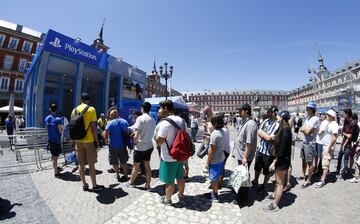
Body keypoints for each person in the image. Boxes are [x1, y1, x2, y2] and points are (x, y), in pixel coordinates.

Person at [71, 92, 104, 192]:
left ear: (81, 100)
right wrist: (97, 141)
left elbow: (72, 127)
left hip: (78, 141)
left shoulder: (74, 110)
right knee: (91, 165)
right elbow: (94, 128)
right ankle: (94, 186)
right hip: (89, 141)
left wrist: (72, 141)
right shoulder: (91, 109)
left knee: (81, 165)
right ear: (88, 100)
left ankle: (84, 185)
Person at [155, 100, 186, 205]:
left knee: (169, 181)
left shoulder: (164, 123)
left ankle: (167, 200)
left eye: (160, 108)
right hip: (180, 154)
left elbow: (160, 140)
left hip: (168, 156)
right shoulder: (181, 120)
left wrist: (156, 141)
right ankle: (181, 196)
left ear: (165, 108)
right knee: (180, 177)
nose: (159, 111)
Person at [264, 110, 292, 212]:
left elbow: (283, 149)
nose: (277, 117)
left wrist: (274, 162)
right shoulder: (283, 128)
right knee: (277, 181)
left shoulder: (285, 130)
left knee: (280, 183)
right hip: (281, 159)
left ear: (282, 117)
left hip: (282, 160)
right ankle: (275, 195)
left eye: (279, 115)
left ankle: (275, 205)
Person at [232, 103, 258, 204]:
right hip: (241, 154)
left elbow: (249, 143)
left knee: (243, 176)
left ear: (246, 111)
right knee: (242, 174)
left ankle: (242, 198)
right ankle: (241, 193)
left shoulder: (250, 124)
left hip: (244, 155)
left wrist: (245, 157)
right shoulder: (245, 122)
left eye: (240, 110)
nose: (239, 112)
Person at [128, 102, 156, 190]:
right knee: (147, 166)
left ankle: (131, 183)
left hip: (140, 148)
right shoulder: (152, 119)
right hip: (149, 146)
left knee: (136, 167)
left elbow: (136, 134)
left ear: (142, 108)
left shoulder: (140, 118)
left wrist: (135, 142)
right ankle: (148, 185)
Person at [252, 106, 280, 193]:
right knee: (257, 167)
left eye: (268, 111)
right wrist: (265, 136)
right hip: (260, 149)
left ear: (273, 112)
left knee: (267, 170)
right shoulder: (266, 121)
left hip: (269, 151)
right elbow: (259, 132)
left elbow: (270, 138)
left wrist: (265, 135)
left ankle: (264, 185)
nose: (266, 113)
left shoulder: (278, 124)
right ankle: (255, 180)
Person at [314, 109, 339, 188]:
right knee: (324, 163)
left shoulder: (334, 124)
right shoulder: (330, 123)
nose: (326, 116)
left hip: (328, 147)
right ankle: (323, 177)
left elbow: (334, 137)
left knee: (325, 164)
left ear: (331, 116)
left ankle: (322, 180)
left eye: (327, 115)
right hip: (326, 145)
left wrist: (329, 148)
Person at [104, 109, 130, 182]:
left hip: (113, 146)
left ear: (112, 116)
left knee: (115, 162)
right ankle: (126, 175)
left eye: (110, 115)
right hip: (123, 145)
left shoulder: (110, 123)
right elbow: (128, 132)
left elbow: (106, 133)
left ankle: (118, 175)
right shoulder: (124, 121)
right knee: (124, 161)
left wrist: (106, 142)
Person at [299, 102, 320, 188]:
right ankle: (304, 175)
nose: (306, 110)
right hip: (304, 141)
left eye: (307, 108)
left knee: (310, 162)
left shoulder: (315, 119)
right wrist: (305, 130)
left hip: (310, 143)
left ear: (311, 109)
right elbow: (301, 129)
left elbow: (308, 131)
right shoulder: (308, 118)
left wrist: (305, 130)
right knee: (303, 160)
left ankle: (309, 180)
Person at [206, 114, 226, 202]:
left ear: (215, 123)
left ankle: (215, 195)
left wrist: (207, 162)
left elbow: (212, 151)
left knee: (213, 179)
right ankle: (215, 192)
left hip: (215, 160)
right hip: (221, 157)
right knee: (217, 176)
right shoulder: (222, 131)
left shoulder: (215, 133)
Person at [44, 104, 64, 178]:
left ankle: (55, 167)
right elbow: (60, 130)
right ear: (56, 110)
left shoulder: (47, 118)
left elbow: (46, 128)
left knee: (54, 156)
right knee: (55, 157)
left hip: (50, 140)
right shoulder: (58, 119)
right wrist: (62, 127)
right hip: (56, 140)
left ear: (50, 109)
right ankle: (56, 173)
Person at [336, 108, 356, 179]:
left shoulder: (353, 123)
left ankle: (344, 174)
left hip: (348, 145)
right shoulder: (345, 121)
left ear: (347, 114)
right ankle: (337, 171)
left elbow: (349, 136)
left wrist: (344, 145)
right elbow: (344, 133)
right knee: (339, 157)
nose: (343, 115)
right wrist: (345, 134)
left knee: (345, 159)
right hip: (343, 143)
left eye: (344, 114)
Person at [219, 120, 231, 187]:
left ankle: (219, 183)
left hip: (223, 150)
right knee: (222, 166)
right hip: (227, 150)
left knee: (221, 167)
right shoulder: (226, 129)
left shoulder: (223, 130)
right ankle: (220, 182)